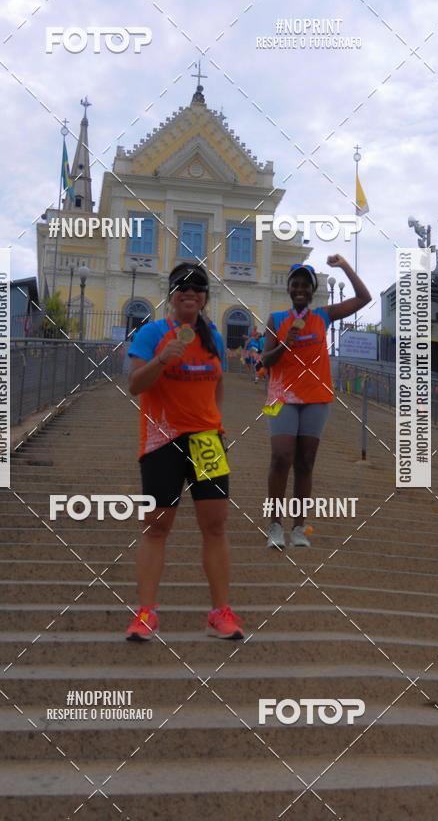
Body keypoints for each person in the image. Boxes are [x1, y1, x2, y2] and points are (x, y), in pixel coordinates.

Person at [125, 262, 244, 640]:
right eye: (182, 287)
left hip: (207, 440)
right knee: (156, 527)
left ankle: (220, 613)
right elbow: (133, 385)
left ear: (205, 297)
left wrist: (213, 421)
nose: (190, 293)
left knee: (215, 525)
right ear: (171, 294)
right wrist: (163, 360)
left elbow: (218, 383)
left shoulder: (214, 339)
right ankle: (146, 614)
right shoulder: (152, 334)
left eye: (198, 288)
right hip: (162, 440)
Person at [262, 256, 371, 548]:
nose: (300, 289)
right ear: (288, 289)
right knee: (281, 456)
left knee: (306, 463)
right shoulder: (276, 320)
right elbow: (266, 360)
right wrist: (287, 341)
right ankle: (274, 525)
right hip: (281, 396)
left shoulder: (322, 316)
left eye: (305, 286)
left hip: (316, 397)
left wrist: (345, 265)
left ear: (312, 291)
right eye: (295, 284)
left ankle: (298, 528)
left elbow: (364, 297)